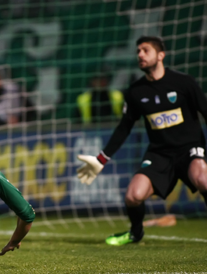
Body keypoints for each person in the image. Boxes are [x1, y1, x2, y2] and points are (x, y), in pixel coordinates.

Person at [76, 36, 207, 246]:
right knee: (133, 195)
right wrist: (100, 159)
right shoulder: (136, 91)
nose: (140, 55)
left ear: (161, 55)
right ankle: (136, 233)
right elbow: (124, 128)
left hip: (189, 149)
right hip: (159, 154)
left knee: (203, 180)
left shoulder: (184, 83)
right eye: (138, 51)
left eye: (145, 50)